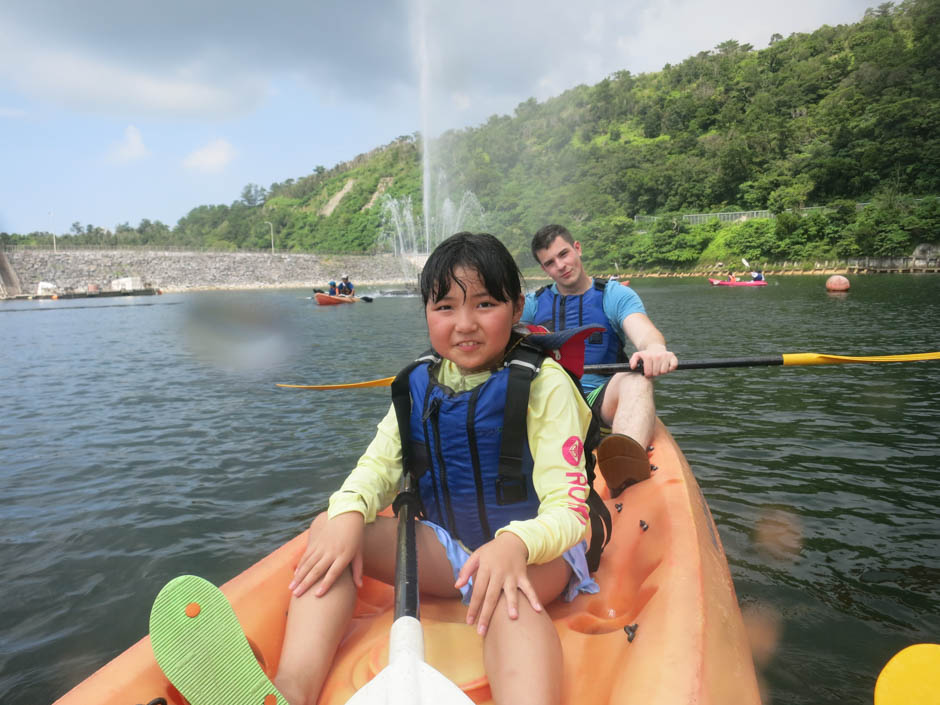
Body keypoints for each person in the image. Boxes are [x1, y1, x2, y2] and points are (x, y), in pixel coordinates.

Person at [272, 232, 600, 705]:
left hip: (535, 555)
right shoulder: (419, 383)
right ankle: (290, 690)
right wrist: (347, 509)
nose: (464, 324)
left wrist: (514, 544)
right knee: (333, 527)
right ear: (426, 311)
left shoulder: (545, 386)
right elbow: (376, 467)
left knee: (505, 596)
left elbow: (569, 511)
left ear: (516, 306)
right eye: (445, 307)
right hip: (451, 550)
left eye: (484, 304)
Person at [522, 224, 677, 496]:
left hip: (598, 400)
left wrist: (654, 348)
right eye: (550, 263)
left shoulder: (613, 295)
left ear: (577, 249)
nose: (561, 265)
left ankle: (624, 474)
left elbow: (643, 331)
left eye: (564, 254)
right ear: (544, 269)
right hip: (549, 405)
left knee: (637, 378)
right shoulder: (532, 304)